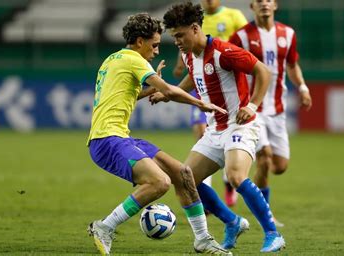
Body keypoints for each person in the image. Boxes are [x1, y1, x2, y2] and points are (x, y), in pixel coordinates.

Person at [86, 13, 232, 255]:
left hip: (119, 137)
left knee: (182, 173)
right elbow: (170, 91)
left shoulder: (113, 59)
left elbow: (125, 94)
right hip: (107, 140)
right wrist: (200, 104)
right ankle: (104, 227)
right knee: (160, 182)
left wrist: (150, 89)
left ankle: (202, 239)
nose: (156, 51)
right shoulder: (134, 60)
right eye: (154, 45)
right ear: (140, 41)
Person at [152, 2, 286, 252]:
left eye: (180, 35)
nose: (177, 41)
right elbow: (194, 77)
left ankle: (273, 234)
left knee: (236, 176)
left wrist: (253, 106)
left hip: (240, 125)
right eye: (174, 37)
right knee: (185, 180)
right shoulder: (189, 54)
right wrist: (171, 93)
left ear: (195, 29)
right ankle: (232, 222)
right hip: (214, 129)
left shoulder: (225, 52)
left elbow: (263, 71)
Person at [229, 0, 312, 227]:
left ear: (275, 5)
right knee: (264, 157)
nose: (264, 4)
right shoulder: (241, 37)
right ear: (252, 6)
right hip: (252, 109)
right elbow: (227, 65)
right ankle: (266, 215)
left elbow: (292, 65)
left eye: (268, 0)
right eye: (259, 1)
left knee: (280, 166)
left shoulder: (288, 33)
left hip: (277, 110)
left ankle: (248, 175)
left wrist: (303, 88)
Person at [172, 0, 248, 206]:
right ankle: (207, 190)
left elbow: (245, 43)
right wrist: (179, 69)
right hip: (202, 85)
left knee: (241, 162)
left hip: (224, 82)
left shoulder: (233, 16)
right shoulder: (191, 26)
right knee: (200, 131)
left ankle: (228, 183)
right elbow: (190, 56)